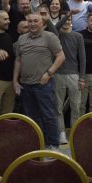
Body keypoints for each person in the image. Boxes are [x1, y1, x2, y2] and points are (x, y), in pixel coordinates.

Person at [13, 13, 66, 150]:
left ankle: (53, 146)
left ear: (42, 23)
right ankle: (38, 145)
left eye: (36, 21)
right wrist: (15, 81)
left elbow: (61, 57)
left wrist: (49, 73)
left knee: (49, 116)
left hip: (44, 84)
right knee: (32, 117)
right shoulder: (22, 39)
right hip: (26, 85)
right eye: (30, 21)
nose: (32, 24)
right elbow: (18, 60)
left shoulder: (50, 37)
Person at [55, 16, 86, 144]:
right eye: (64, 20)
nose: (67, 22)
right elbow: (55, 27)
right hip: (58, 74)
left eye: (69, 20)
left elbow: (82, 58)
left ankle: (75, 132)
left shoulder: (78, 36)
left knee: (76, 106)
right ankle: (61, 133)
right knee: (58, 107)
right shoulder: (56, 35)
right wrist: (65, 17)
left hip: (74, 75)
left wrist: (82, 77)